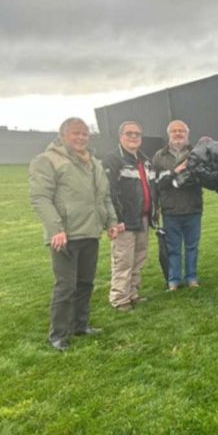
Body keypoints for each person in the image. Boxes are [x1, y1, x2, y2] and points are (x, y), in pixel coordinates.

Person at [29, 117, 120, 351]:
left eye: (84, 134)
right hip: (66, 235)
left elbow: (104, 196)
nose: (81, 138)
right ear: (62, 136)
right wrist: (56, 229)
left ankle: (80, 325)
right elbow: (40, 198)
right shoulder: (48, 160)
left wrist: (111, 221)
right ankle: (58, 334)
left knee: (85, 283)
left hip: (90, 232)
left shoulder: (95, 163)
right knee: (65, 287)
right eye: (75, 133)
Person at [103, 120, 157, 311]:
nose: (134, 137)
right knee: (123, 261)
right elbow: (109, 192)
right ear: (121, 137)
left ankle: (132, 294)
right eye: (129, 133)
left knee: (138, 259)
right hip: (124, 222)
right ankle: (119, 299)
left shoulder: (144, 160)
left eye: (137, 134)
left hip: (143, 218)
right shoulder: (113, 159)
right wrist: (117, 220)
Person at [153, 120, 203, 291]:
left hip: (193, 208)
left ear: (187, 134)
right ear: (169, 134)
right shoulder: (160, 156)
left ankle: (192, 278)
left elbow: (202, 176)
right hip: (170, 210)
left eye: (181, 131)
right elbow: (157, 182)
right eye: (174, 131)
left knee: (192, 247)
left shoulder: (196, 152)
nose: (178, 134)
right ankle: (174, 281)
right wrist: (176, 172)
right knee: (173, 248)